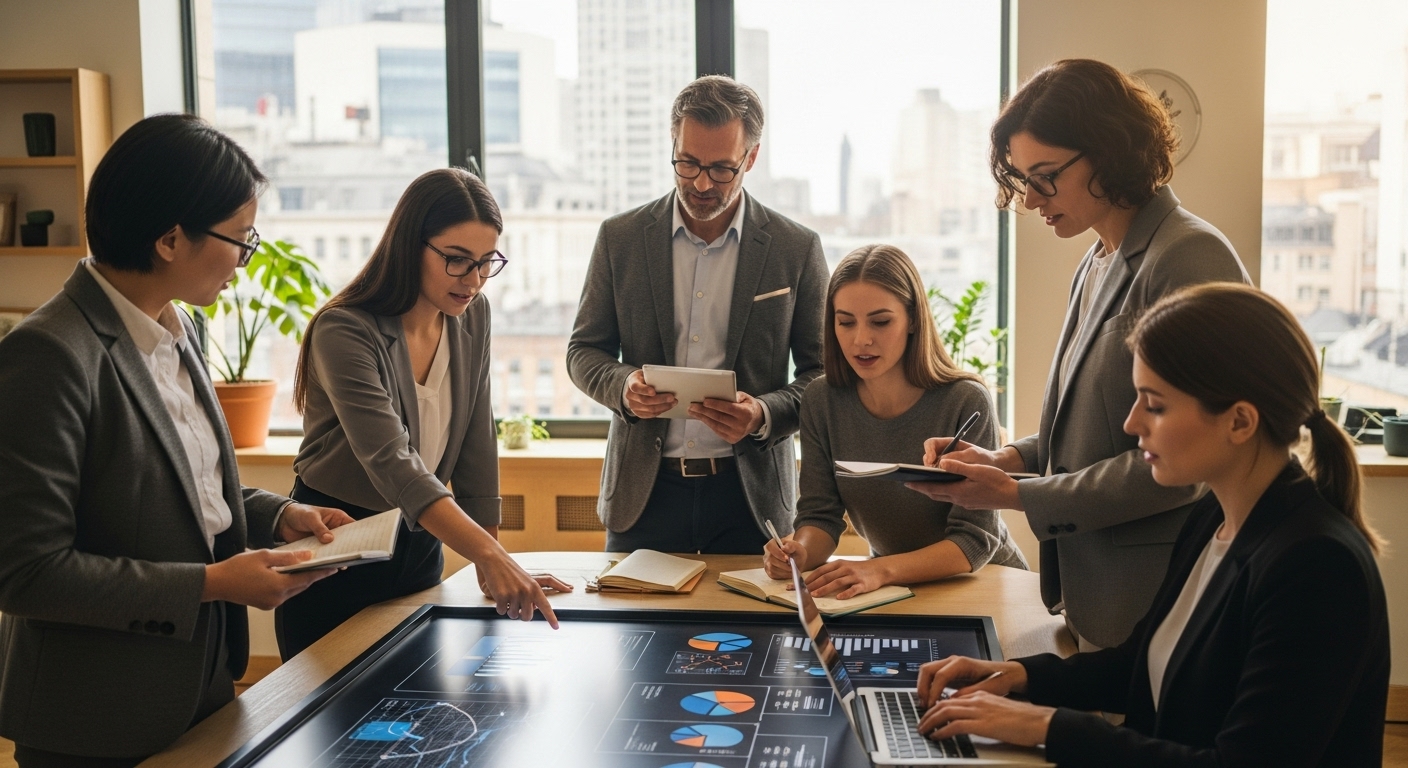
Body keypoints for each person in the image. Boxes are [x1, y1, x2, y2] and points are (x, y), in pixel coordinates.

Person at [0, 114, 354, 767]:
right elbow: (27, 574)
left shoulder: (173, 326)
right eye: (240, 240)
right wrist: (212, 584)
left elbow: (181, 486)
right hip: (95, 719)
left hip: (201, 686)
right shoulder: (47, 355)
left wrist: (279, 515)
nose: (246, 261)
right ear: (170, 239)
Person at [912, 283, 1389, 767]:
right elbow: (1141, 664)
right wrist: (1019, 676)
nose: (1131, 423)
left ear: (1240, 422)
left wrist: (1047, 727)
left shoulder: (1318, 566)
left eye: (1154, 405)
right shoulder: (1213, 518)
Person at [910, 58, 1250, 650]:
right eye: (1022, 179)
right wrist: (1005, 459)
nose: (1031, 199)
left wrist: (1015, 496)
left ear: (1109, 151)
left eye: (1046, 176)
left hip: (1160, 597)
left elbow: (1187, 461)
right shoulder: (1095, 261)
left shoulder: (1189, 257)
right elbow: (1093, 432)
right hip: (1098, 598)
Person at [279, 168, 569, 660]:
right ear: (410, 246)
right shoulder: (343, 330)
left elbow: (477, 443)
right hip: (337, 550)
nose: (474, 280)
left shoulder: (471, 315)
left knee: (417, 715)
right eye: (457, 261)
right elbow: (393, 462)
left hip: (419, 547)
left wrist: (488, 564)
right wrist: (490, 554)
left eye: (485, 262)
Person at [567, 75, 827, 553]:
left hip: (752, 501)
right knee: (635, 630)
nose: (701, 183)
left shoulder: (797, 248)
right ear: (673, 143)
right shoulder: (619, 239)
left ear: (751, 158)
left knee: (755, 631)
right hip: (643, 496)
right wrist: (623, 388)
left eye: (721, 169)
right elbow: (583, 351)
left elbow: (823, 374)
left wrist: (763, 413)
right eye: (687, 163)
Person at [761, 245, 1026, 597]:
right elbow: (820, 515)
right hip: (895, 590)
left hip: (986, 586)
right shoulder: (821, 400)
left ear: (913, 318)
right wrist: (800, 551)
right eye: (845, 322)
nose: (861, 340)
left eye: (881, 322)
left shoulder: (964, 399)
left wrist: (879, 569)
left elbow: (975, 539)